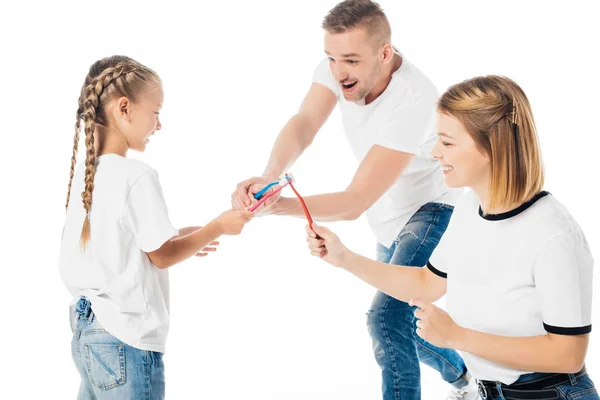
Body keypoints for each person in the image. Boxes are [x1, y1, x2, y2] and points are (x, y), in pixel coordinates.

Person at [232, 1, 476, 398]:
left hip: (430, 212)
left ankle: (463, 381)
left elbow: (354, 201)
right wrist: (269, 175)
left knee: (386, 319)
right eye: (330, 57)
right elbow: (304, 123)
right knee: (409, 325)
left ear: (385, 52)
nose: (338, 71)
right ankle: (465, 380)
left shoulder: (413, 99)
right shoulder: (338, 67)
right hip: (388, 217)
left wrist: (280, 207)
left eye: (349, 60)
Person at [306, 75, 598, 400]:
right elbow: (427, 283)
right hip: (491, 392)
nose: (434, 152)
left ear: (490, 146)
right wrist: (344, 257)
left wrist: (457, 337)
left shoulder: (553, 234)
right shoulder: (469, 207)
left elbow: (568, 354)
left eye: (446, 142)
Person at [59, 55, 254, 399]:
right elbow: (161, 256)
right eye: (156, 112)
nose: (159, 125)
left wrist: (182, 235)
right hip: (125, 337)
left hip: (88, 332)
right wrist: (217, 227)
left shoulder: (86, 179)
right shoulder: (136, 176)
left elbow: (120, 246)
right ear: (125, 108)